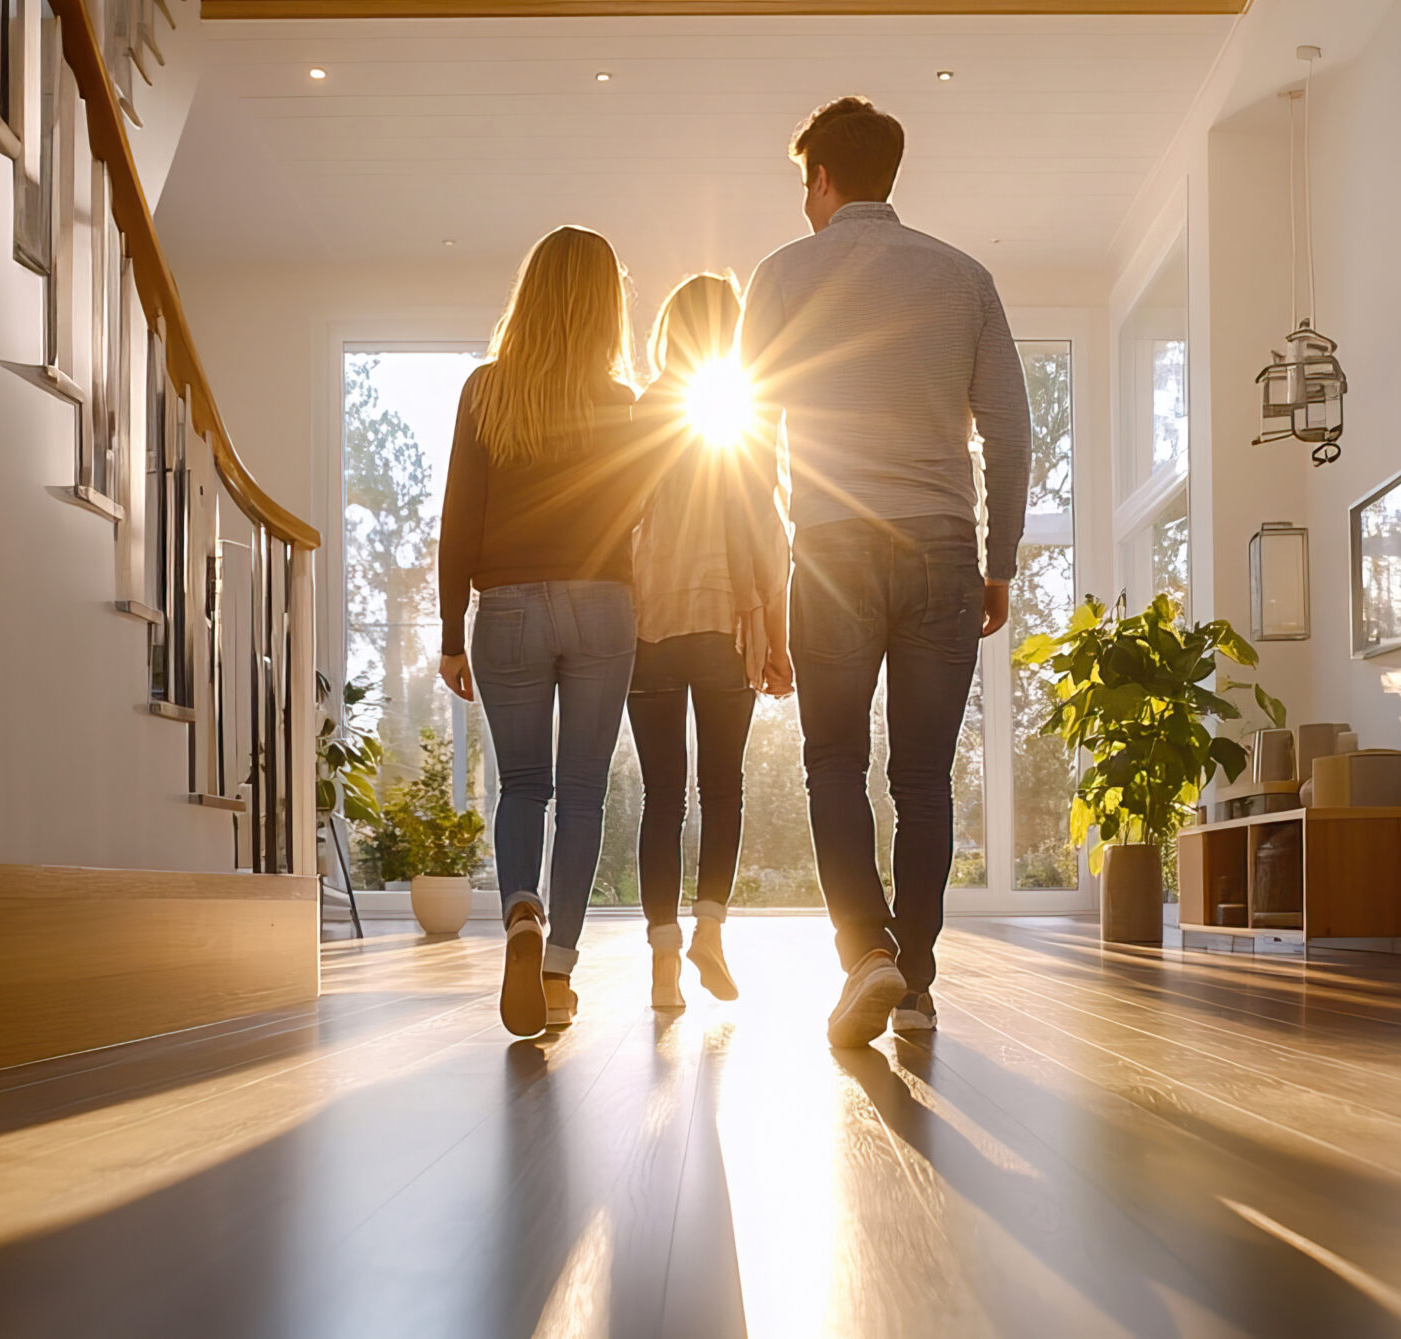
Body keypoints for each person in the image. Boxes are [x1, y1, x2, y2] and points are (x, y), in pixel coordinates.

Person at [739, 97, 1029, 1047]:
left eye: (803, 184)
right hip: (943, 547)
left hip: (828, 549)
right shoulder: (963, 277)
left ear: (821, 177)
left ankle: (867, 950)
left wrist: (764, 581)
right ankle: (915, 982)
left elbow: (748, 442)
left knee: (833, 761)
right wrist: (1000, 560)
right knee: (924, 777)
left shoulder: (782, 275)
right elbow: (1009, 431)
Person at [438, 225, 659, 1039]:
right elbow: (636, 518)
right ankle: (559, 971)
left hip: (507, 610)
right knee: (585, 793)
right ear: (608, 305)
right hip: (603, 603)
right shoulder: (624, 404)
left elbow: (459, 516)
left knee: (522, 785)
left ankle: (520, 914)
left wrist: (450, 627)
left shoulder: (485, 390)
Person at [627, 272, 792, 1011]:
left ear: (670, 333)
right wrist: (779, 638)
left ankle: (663, 963)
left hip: (649, 629)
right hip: (728, 625)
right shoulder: (746, 414)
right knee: (721, 788)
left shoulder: (639, 413)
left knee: (662, 795)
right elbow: (770, 537)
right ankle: (710, 932)